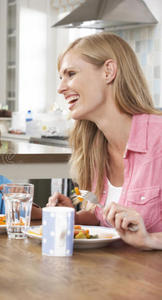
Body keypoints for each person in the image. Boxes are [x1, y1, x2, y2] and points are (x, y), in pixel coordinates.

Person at [47, 32, 162, 233]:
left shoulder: (158, 137)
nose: (60, 88)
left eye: (71, 74)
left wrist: (151, 240)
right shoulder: (93, 145)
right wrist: (73, 216)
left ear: (108, 71)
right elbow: (104, 219)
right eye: (60, 77)